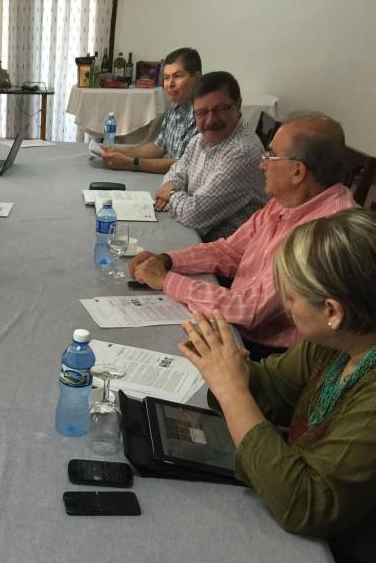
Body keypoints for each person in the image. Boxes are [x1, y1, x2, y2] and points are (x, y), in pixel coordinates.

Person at [177, 208, 376, 563]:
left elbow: (306, 503)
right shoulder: (338, 342)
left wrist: (232, 390)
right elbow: (273, 389)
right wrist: (231, 366)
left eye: (292, 297)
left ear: (332, 311)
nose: (285, 306)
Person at [130, 113, 358, 358]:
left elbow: (249, 309)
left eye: (270, 155)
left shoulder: (325, 232)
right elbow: (230, 251)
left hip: (274, 354)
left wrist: (166, 281)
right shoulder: (289, 200)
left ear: (297, 171)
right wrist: (168, 261)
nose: (262, 165)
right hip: (241, 319)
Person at [154, 71, 267, 241]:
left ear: (238, 105)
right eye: (201, 112)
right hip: (196, 236)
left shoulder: (243, 152)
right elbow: (176, 171)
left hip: (227, 250)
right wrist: (174, 186)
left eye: (220, 109)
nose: (210, 120)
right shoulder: (200, 139)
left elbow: (194, 215)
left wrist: (171, 194)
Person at [101, 47, 201, 174]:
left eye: (177, 76)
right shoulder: (175, 106)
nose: (170, 84)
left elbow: (183, 165)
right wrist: (119, 151)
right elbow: (158, 147)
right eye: (166, 77)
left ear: (197, 77)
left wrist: (130, 163)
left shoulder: (203, 114)